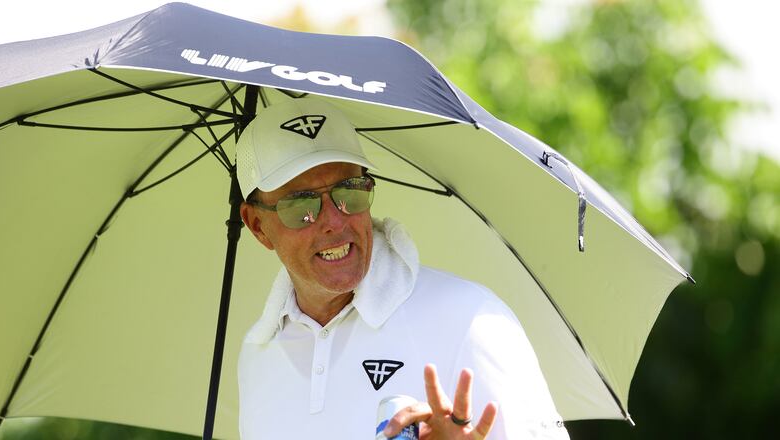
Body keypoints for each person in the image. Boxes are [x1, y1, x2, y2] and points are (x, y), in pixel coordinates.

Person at [236, 97, 569, 439]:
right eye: (301, 206)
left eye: (349, 192)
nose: (334, 221)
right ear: (258, 226)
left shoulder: (473, 319)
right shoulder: (256, 356)